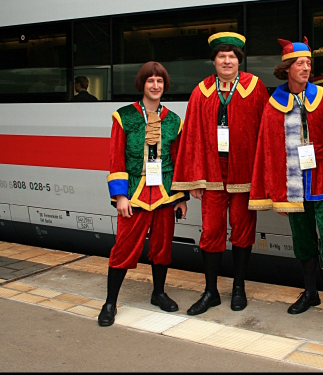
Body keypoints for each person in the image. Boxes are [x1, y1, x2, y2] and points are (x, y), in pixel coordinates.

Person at [249, 38, 323, 319]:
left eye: (308, 63)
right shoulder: (273, 104)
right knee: (302, 241)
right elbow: (268, 149)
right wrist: (276, 191)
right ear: (287, 69)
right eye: (300, 64)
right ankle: (310, 293)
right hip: (293, 184)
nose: (306, 68)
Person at [171, 32, 268, 315]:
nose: (227, 61)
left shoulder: (255, 87)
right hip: (212, 175)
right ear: (213, 61)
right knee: (211, 232)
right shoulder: (201, 91)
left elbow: (265, 133)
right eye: (221, 56)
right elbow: (192, 137)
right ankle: (211, 291)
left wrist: (262, 176)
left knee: (242, 231)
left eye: (232, 57)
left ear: (239, 60)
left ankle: (239, 287)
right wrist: (195, 179)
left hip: (244, 174)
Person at [98, 61, 188, 326]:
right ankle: (110, 303)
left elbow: (177, 160)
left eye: (160, 81)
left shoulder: (174, 120)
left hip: (164, 196)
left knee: (162, 249)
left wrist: (181, 198)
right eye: (150, 81)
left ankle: (158, 293)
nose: (155, 86)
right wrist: (120, 196)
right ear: (142, 84)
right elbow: (116, 159)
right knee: (124, 249)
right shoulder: (123, 116)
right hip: (134, 196)